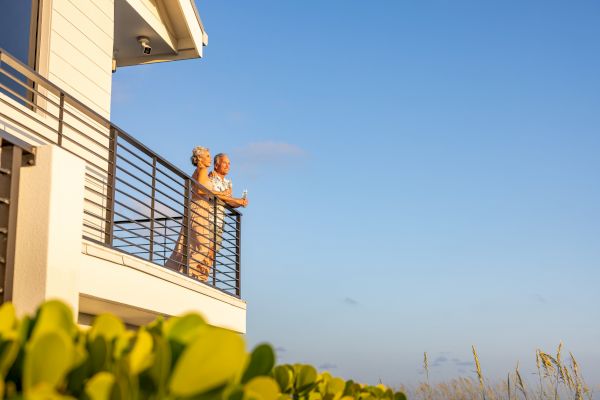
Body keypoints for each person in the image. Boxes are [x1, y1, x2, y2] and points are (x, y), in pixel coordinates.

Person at [165, 146, 216, 281]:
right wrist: (218, 194)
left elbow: (198, 188)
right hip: (199, 208)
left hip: (196, 208)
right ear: (200, 158)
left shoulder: (199, 171)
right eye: (208, 156)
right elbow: (200, 191)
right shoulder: (203, 170)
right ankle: (184, 273)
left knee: (184, 245)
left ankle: (171, 270)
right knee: (203, 247)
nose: (210, 159)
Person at [208, 153, 248, 262]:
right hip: (209, 219)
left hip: (220, 222)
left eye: (229, 163)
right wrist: (235, 199)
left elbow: (229, 202)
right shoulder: (210, 178)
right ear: (216, 165)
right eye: (224, 163)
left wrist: (240, 202)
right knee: (206, 251)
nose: (228, 166)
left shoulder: (227, 183)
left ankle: (203, 277)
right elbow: (217, 197)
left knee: (213, 252)